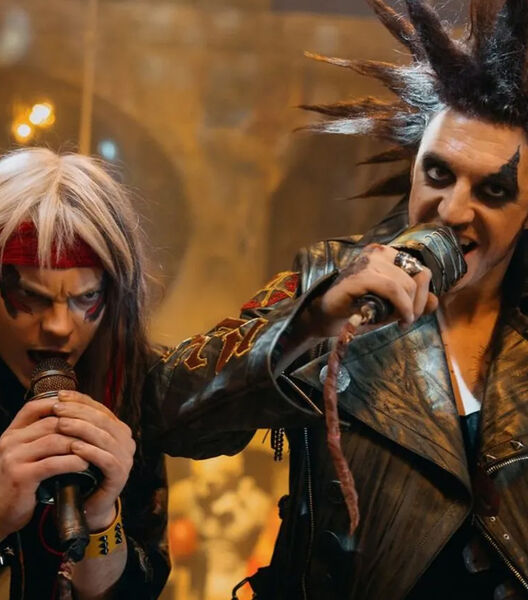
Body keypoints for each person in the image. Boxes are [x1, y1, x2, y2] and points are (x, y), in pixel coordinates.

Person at [151, 0, 528, 598]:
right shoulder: (333, 282)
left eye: (494, 190)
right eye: (438, 174)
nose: (453, 210)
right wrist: (308, 323)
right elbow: (166, 413)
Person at [0, 148, 169, 600]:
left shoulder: (130, 384)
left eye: (87, 298)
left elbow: (139, 585)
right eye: (32, 297)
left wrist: (101, 515)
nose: (60, 327)